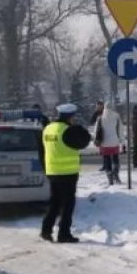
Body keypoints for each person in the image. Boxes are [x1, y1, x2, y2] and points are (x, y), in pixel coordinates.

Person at [40, 103, 92, 243]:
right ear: (71, 117)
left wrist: (45, 168)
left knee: (55, 202)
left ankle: (46, 230)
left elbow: (41, 150)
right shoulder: (67, 130)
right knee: (68, 204)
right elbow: (84, 141)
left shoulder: (48, 129)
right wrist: (79, 128)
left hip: (52, 171)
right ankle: (64, 234)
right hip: (67, 173)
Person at [95, 101, 123, 185]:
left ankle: (109, 174)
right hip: (115, 141)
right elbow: (120, 130)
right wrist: (122, 141)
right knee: (115, 158)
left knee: (106, 158)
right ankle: (115, 172)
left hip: (104, 142)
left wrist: (96, 140)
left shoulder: (100, 117)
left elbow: (96, 130)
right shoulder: (117, 116)